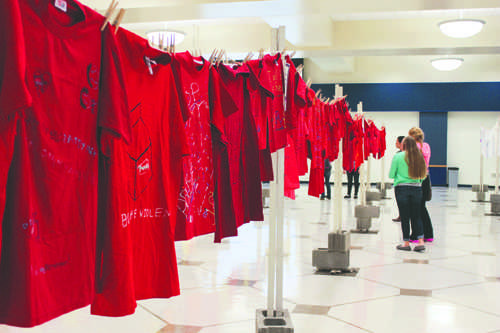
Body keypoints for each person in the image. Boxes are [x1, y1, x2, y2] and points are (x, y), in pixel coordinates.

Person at [389, 136, 427, 252]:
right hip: (416, 189)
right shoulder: (419, 157)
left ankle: (406, 243)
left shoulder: (398, 156)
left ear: (403, 145)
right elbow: (424, 175)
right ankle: (420, 242)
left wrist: (399, 177)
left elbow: (391, 174)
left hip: (401, 188)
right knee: (417, 216)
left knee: (405, 216)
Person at [408, 127, 434, 242]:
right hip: (426, 178)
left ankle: (416, 235)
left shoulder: (413, 148)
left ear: (413, 136)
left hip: (416, 179)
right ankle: (428, 234)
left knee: (415, 208)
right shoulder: (426, 146)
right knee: (422, 207)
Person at [392, 136, 405, 222]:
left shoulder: (400, 155)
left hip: (401, 181)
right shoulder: (398, 153)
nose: (395, 144)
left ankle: (403, 216)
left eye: (397, 142)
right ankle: (401, 215)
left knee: (401, 200)